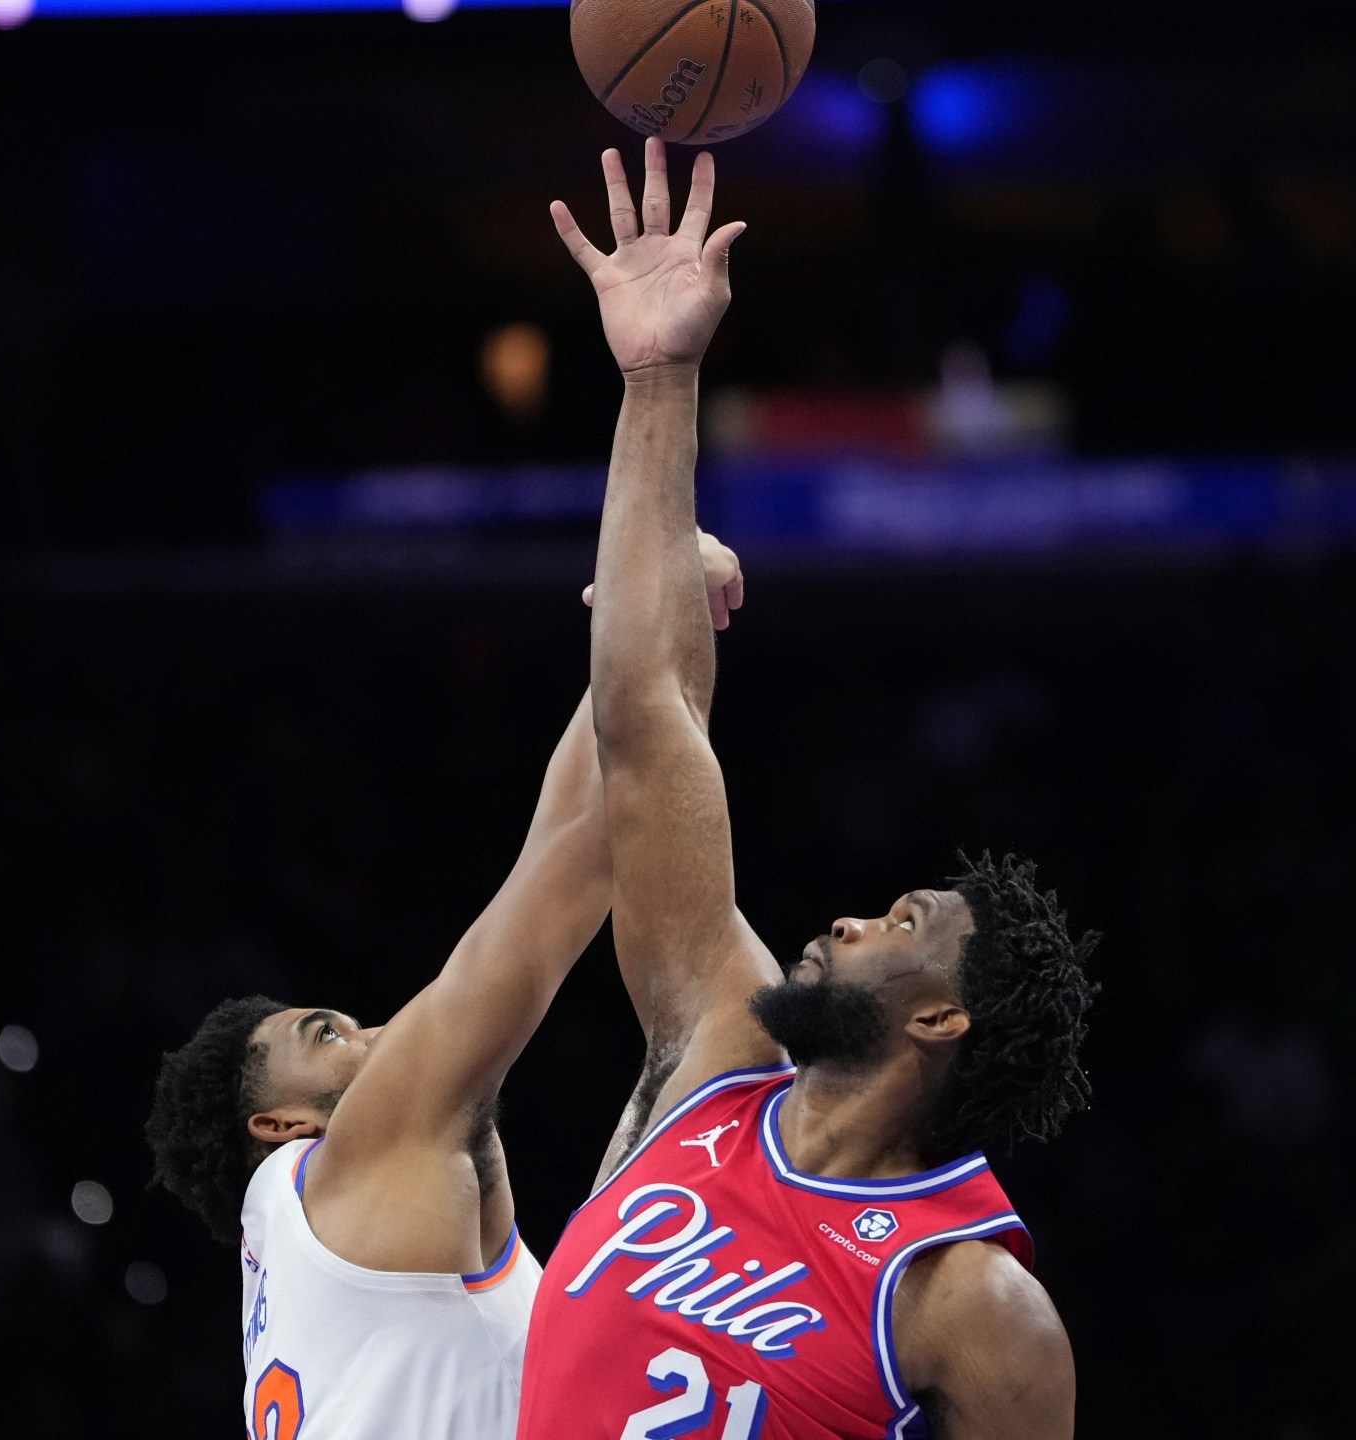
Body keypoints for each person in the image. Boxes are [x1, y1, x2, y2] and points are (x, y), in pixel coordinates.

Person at [519, 140, 1099, 1440]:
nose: (849, 922)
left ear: (943, 1021)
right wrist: (658, 376)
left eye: (903, 926)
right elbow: (644, 719)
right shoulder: (723, 1055)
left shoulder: (969, 1302)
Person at [145, 534, 747, 1440]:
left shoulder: (317, 1281)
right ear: (280, 1126)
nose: (382, 1034)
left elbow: (573, 834)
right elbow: (586, 853)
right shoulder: (343, 1166)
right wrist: (649, 621)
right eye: (329, 1036)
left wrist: (647, 630)